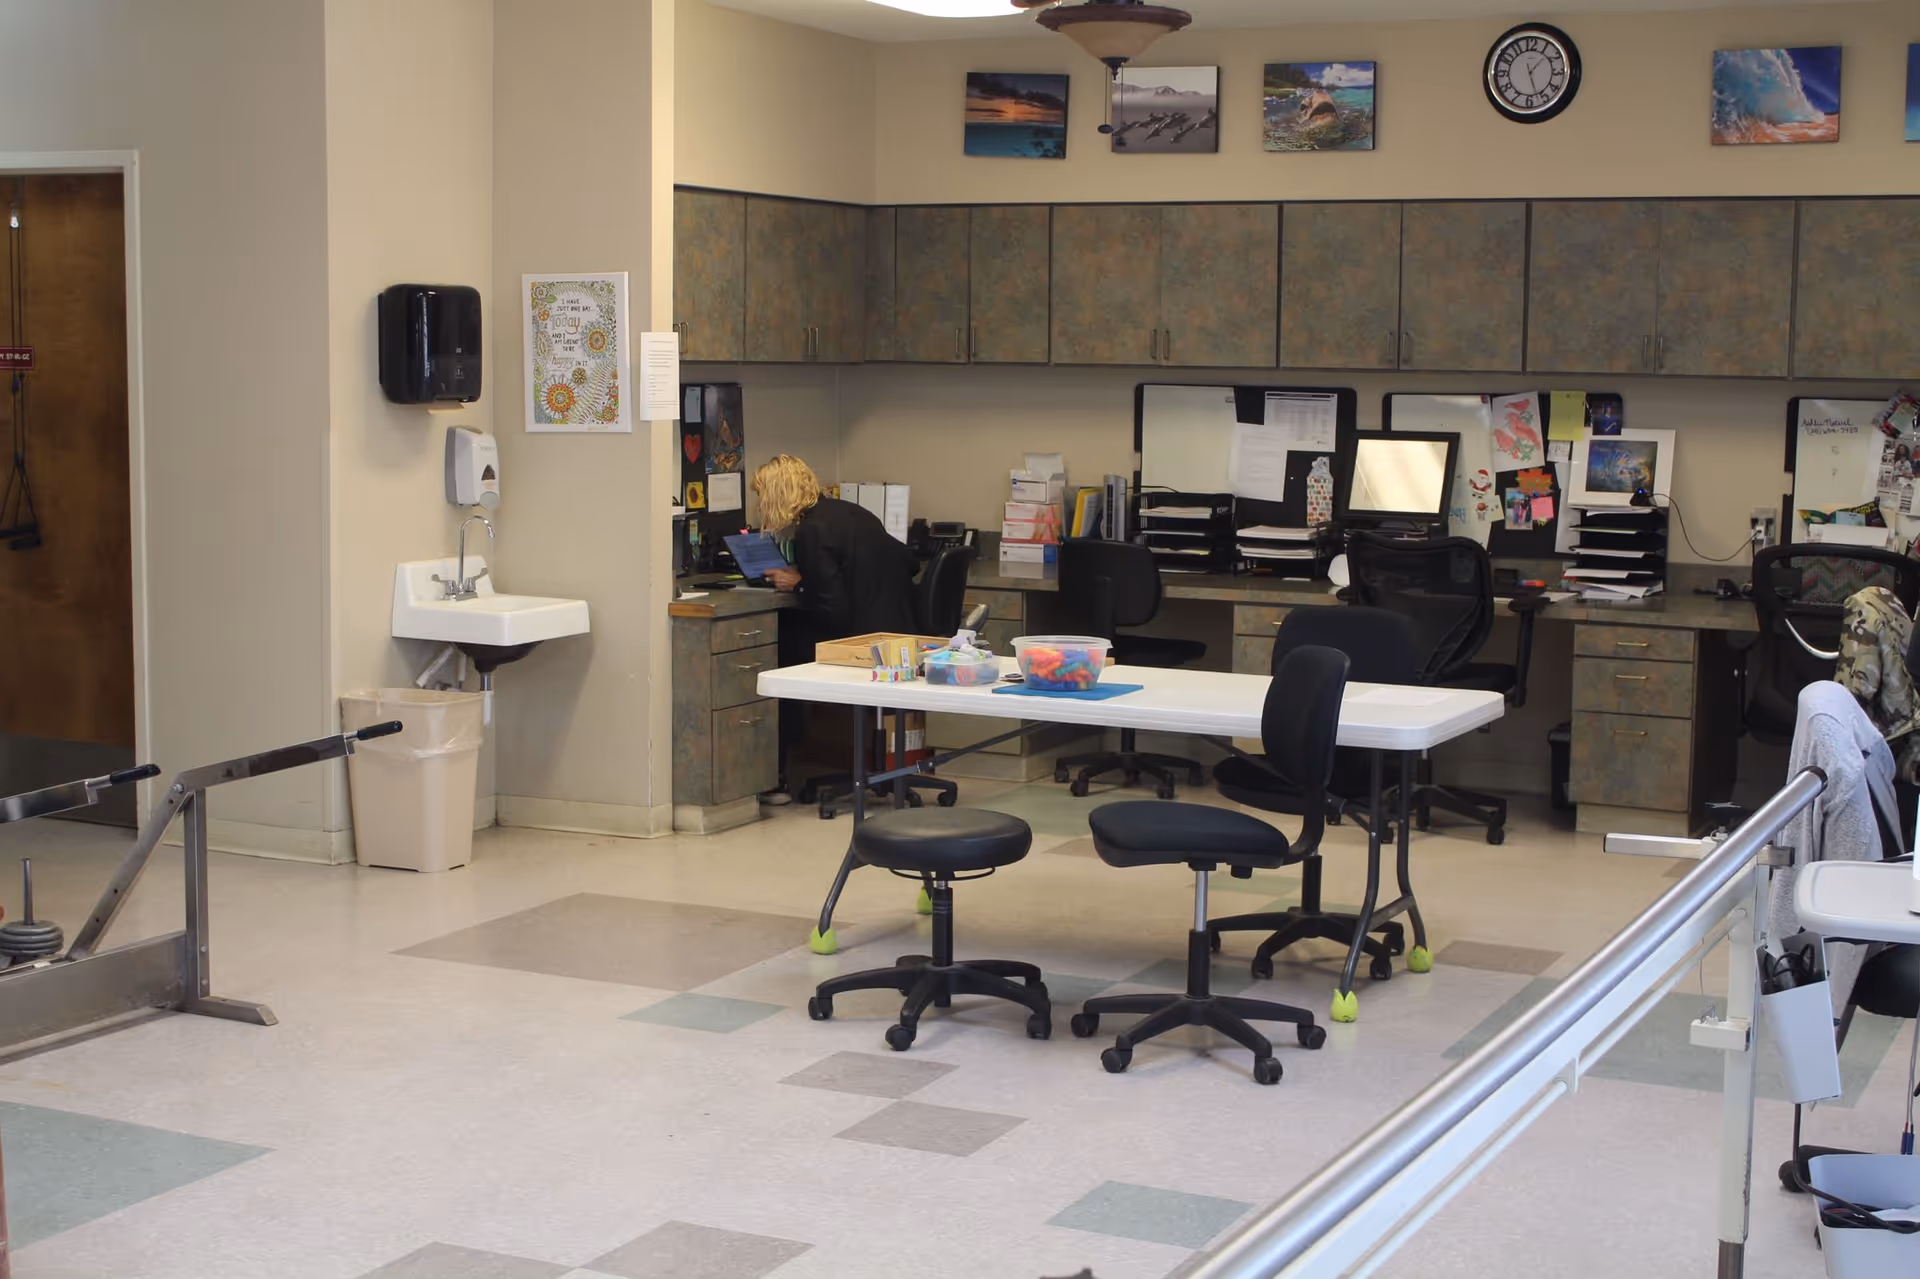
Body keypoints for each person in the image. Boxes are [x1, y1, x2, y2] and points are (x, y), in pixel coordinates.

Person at [750, 454, 919, 801]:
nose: (759, 504)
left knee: (778, 654)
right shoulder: (847, 512)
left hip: (860, 641)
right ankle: (795, 764)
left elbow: (833, 612)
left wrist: (799, 585)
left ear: (777, 494)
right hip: (895, 633)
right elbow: (910, 560)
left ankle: (776, 777)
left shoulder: (811, 530)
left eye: (761, 495)